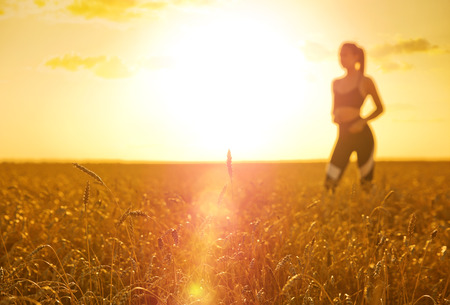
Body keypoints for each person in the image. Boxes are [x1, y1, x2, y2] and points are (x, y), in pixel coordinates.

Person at [325, 42, 384, 191]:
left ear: (356, 57)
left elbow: (380, 108)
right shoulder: (336, 83)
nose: (341, 58)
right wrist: (335, 116)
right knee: (329, 183)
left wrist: (362, 122)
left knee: (366, 185)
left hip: (362, 136)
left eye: (345, 55)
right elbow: (334, 110)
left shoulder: (365, 81)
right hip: (343, 135)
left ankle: (375, 210)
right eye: (339, 55)